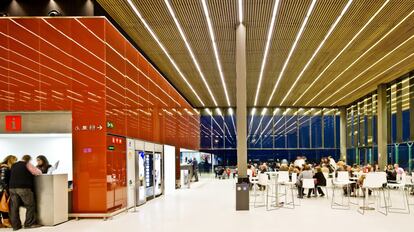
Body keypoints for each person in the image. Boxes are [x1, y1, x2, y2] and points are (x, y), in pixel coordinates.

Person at [9, 155, 42, 230]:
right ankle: (29, 224)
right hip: (23, 188)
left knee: (14, 207)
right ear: (29, 160)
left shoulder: (14, 165)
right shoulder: (27, 164)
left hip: (12, 188)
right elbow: (38, 172)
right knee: (30, 205)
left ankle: (16, 226)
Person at [0, 155, 17, 228]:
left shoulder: (3, 167)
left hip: (2, 188)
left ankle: (2, 223)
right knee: (3, 205)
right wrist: (6, 189)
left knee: (2, 205)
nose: (15, 163)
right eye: (14, 161)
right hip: (2, 189)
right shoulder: (5, 168)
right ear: (11, 160)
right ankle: (6, 222)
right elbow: (3, 180)